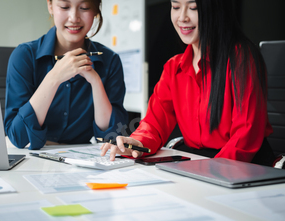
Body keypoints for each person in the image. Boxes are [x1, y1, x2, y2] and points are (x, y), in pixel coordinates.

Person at [101, 0, 275, 166]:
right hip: (199, 161)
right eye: (175, 7)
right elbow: (154, 124)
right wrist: (134, 143)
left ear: (215, 9)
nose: (182, 17)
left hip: (242, 165)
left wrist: (214, 170)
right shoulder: (173, 67)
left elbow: (246, 133)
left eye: (193, 8)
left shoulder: (241, 57)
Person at [4, 0, 128, 150]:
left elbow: (112, 138)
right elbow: (18, 137)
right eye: (64, 7)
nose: (74, 18)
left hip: (81, 159)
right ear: (50, 6)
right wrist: (54, 78)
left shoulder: (110, 61)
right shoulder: (24, 56)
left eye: (84, 8)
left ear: (96, 11)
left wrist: (96, 82)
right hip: (31, 158)